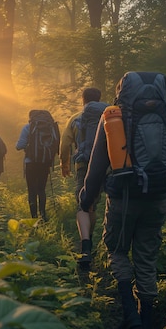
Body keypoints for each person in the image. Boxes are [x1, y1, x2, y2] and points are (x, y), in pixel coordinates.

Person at [78, 85, 166, 328]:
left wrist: (86, 200)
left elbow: (97, 166)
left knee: (117, 250)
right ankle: (147, 317)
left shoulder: (112, 117)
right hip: (159, 196)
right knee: (147, 256)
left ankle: (130, 314)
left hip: (123, 197)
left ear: (122, 93)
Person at [59, 87, 106, 269]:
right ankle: (99, 242)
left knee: (83, 204)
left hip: (84, 165)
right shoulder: (109, 115)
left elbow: (64, 144)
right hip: (106, 167)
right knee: (93, 203)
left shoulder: (75, 118)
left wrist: (64, 164)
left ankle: (85, 243)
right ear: (99, 99)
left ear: (83, 100)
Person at [16, 111, 57, 221]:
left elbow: (19, 146)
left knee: (32, 191)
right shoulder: (50, 127)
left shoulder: (28, 128)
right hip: (45, 163)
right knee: (41, 190)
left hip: (31, 163)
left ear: (31, 117)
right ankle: (43, 216)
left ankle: (34, 219)